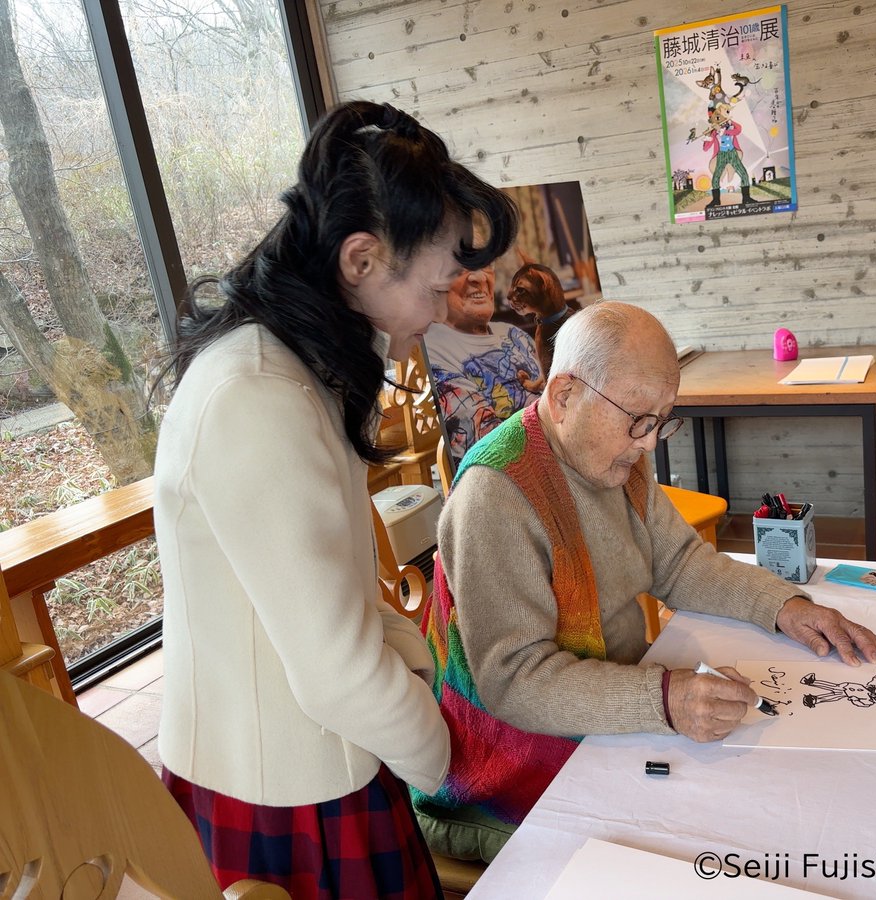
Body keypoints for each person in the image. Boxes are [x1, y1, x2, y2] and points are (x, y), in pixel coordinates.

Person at [152, 100, 516, 899]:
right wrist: (443, 759)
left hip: (320, 757)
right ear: (360, 259)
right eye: (435, 287)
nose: (440, 311)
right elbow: (334, 669)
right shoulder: (258, 394)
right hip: (284, 786)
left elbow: (342, 596)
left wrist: (425, 685)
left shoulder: (292, 366)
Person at [412, 301, 876, 862]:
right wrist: (666, 699)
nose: (650, 443)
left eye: (662, 419)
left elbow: (679, 563)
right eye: (639, 420)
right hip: (506, 762)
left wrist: (783, 605)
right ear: (565, 396)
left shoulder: (615, 449)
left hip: (616, 694)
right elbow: (513, 682)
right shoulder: (494, 497)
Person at [424, 263, 542, 467]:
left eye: (486, 264)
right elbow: (497, 451)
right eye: (461, 266)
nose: (480, 277)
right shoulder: (432, 353)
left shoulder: (512, 333)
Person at [505, 262, 579, 376]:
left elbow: (554, 379)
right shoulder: (543, 322)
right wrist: (535, 385)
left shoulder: (562, 333)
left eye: (520, 290)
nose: (509, 296)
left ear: (543, 287)